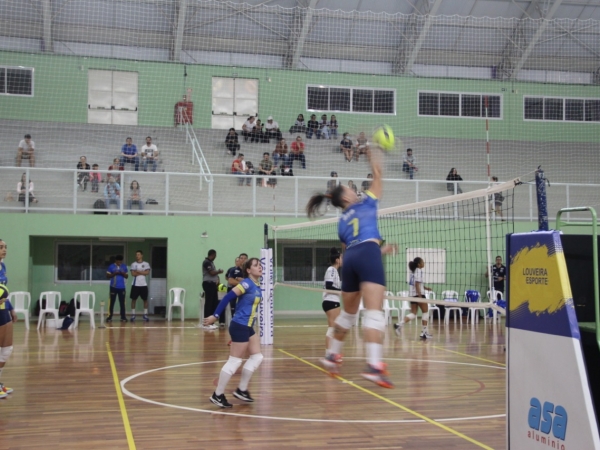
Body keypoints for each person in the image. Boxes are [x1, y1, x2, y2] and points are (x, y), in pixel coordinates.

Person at [307, 142, 396, 388]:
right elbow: (378, 174)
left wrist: (380, 250)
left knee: (348, 315)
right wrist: (372, 151)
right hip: (366, 253)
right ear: (346, 197)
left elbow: (352, 245)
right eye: (350, 188)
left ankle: (332, 356)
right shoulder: (365, 202)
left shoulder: (341, 223)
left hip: (352, 259)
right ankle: (375, 366)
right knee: (374, 312)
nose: (355, 189)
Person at [203, 257, 264, 408]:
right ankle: (217, 394)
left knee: (257, 357)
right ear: (248, 270)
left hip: (248, 326)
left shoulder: (256, 285)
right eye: (256, 265)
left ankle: (242, 390)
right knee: (235, 361)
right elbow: (228, 297)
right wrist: (215, 316)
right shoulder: (246, 284)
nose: (260, 267)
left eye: (260, 265)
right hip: (240, 325)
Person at [394, 257, 432, 339]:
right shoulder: (419, 271)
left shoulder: (413, 272)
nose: (424, 263)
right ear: (419, 264)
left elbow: (418, 284)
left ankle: (399, 324)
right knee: (425, 312)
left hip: (412, 295)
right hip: (418, 294)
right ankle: (424, 333)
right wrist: (420, 296)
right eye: (422, 262)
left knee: (413, 314)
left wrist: (426, 288)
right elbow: (417, 284)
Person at [0, 239, 16, 398]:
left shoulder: (2, 266)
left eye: (5, 247)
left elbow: (4, 291)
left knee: (6, 350)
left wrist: (11, 308)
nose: (4, 250)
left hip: (4, 310)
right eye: (0, 247)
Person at [323, 248, 342, 357]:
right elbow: (329, 286)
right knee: (332, 328)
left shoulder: (335, 271)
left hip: (333, 301)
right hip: (330, 301)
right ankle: (329, 354)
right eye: (341, 258)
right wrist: (341, 291)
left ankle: (332, 353)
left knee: (335, 328)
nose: (342, 259)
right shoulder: (331, 270)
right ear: (337, 259)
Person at [202, 249, 224, 329]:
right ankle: (206, 322)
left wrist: (217, 278)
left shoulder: (211, 262)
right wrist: (219, 271)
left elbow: (214, 274)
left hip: (213, 284)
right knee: (209, 303)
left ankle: (211, 322)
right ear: (213, 255)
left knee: (214, 302)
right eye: (215, 255)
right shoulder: (206, 262)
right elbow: (211, 272)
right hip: (208, 284)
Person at [129, 250, 151, 322]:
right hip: (135, 284)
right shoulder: (133, 264)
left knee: (145, 299)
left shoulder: (146, 264)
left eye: (138, 254)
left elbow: (147, 272)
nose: (137, 256)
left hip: (143, 284)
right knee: (133, 300)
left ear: (142, 255)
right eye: (136, 255)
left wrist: (138, 271)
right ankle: (133, 315)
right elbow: (133, 274)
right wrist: (142, 272)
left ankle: (145, 314)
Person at [106, 254, 129, 323]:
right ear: (115, 261)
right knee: (112, 302)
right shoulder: (111, 266)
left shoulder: (124, 266)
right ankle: (110, 317)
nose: (119, 263)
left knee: (122, 303)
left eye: (120, 262)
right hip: (113, 287)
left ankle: (123, 317)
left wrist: (122, 273)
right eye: (118, 262)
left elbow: (127, 276)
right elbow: (107, 276)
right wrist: (114, 273)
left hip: (122, 287)